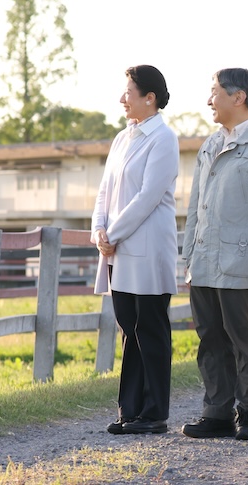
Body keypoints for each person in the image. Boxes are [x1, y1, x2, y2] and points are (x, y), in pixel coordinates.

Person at [181, 68, 248, 441]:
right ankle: (217, 413)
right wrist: (188, 255)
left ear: (238, 97)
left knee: (244, 338)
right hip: (205, 260)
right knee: (210, 338)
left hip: (242, 262)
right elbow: (196, 205)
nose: (210, 100)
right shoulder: (210, 143)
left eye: (214, 93)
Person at [91, 65, 179, 435]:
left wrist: (114, 232)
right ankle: (130, 409)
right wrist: (99, 229)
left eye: (129, 91)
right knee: (129, 327)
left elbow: (148, 197)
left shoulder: (164, 138)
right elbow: (104, 191)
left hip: (145, 246)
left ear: (150, 97)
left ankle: (154, 412)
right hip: (117, 248)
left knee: (150, 328)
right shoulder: (121, 138)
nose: (122, 98)